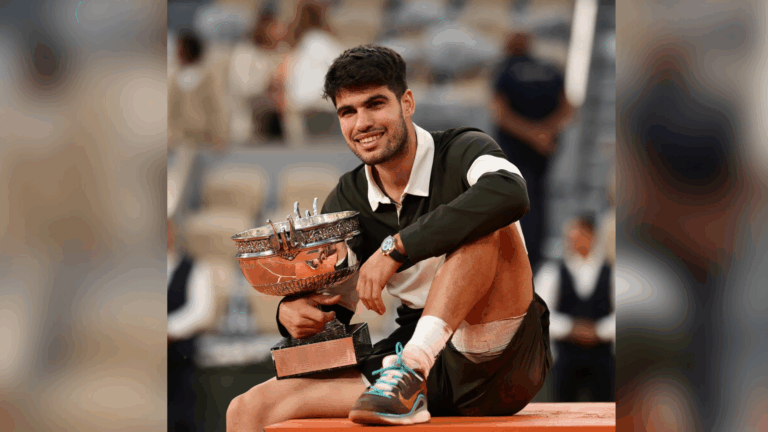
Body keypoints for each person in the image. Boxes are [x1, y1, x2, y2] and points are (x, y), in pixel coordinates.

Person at [226, 45, 552, 431]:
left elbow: (511, 193)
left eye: (375, 104)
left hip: (498, 352)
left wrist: (397, 249)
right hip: (411, 362)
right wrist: (292, 314)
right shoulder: (348, 198)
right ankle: (409, 375)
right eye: (348, 112)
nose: (362, 122)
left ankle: (413, 368)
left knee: (487, 221)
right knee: (248, 408)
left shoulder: (464, 148)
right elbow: (336, 305)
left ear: (407, 102)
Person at [490, 30, 573, 272]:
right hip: (546, 147)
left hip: (516, 146)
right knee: (540, 194)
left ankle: (519, 257)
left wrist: (531, 134)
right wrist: (545, 133)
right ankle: (537, 255)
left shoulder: (504, 70)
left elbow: (500, 113)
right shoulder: (550, 68)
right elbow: (568, 106)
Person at [534, 215, 615, 402]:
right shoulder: (552, 272)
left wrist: (599, 331)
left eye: (578, 236)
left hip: (604, 358)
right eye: (570, 236)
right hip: (565, 358)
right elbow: (539, 314)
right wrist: (571, 328)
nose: (572, 241)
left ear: (592, 236)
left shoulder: (611, 272)